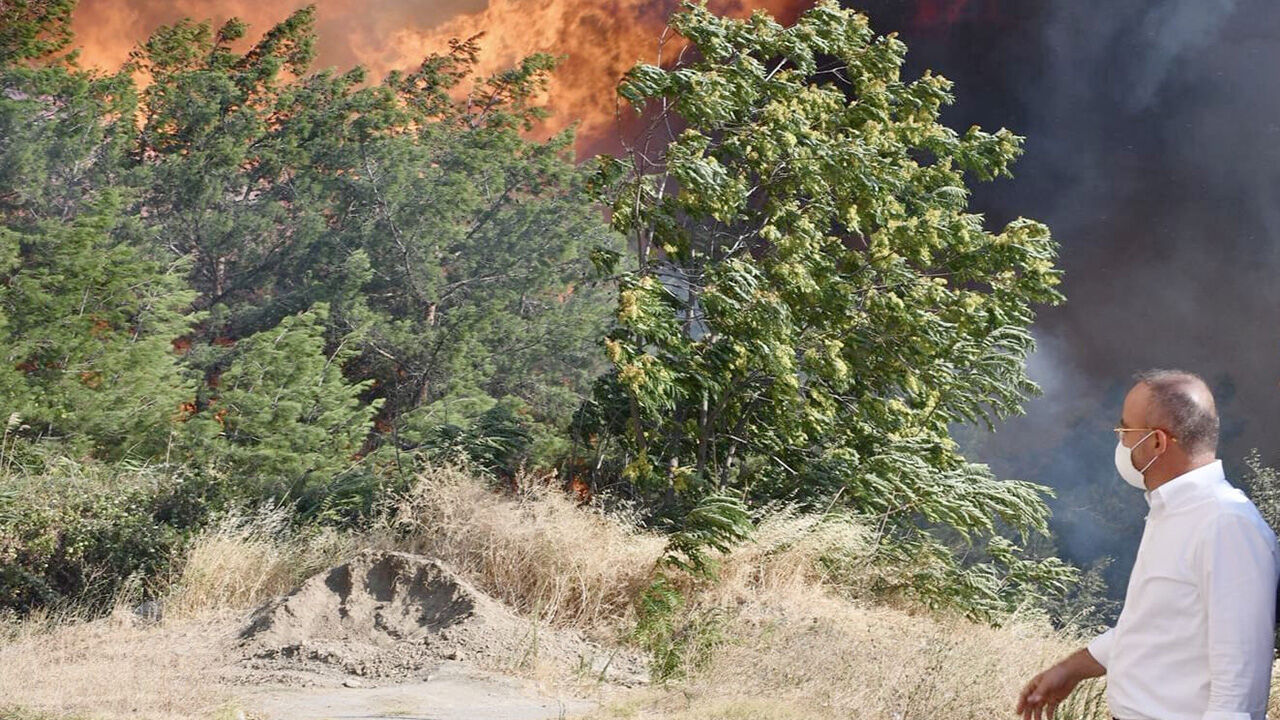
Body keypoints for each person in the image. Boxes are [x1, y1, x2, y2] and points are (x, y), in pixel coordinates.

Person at [1015, 369, 1280, 720]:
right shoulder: (1172, 511)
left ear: (1157, 442)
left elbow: (1237, 696)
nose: (1120, 442)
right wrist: (1072, 668)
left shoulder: (1227, 526)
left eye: (1125, 431)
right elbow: (1156, 623)